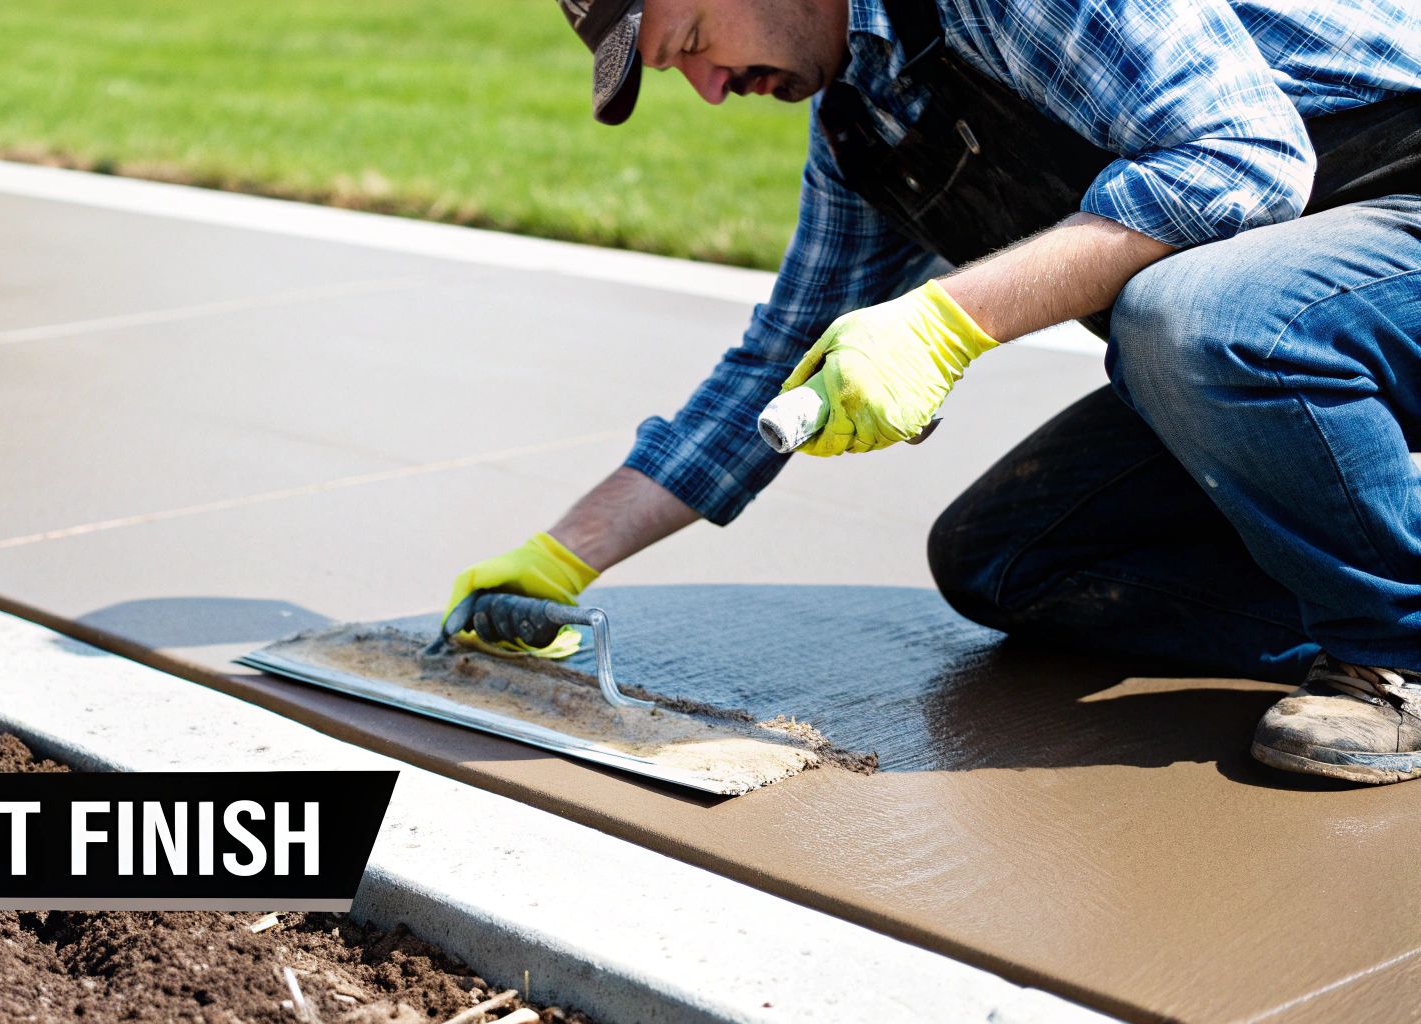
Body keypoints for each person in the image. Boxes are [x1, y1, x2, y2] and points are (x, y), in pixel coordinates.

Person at [448, 0, 1421, 783]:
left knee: (1195, 316)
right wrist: (562, 556)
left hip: (1388, 201)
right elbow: (774, 365)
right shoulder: (865, 125)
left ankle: (1394, 652)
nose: (707, 89)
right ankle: (1373, 574)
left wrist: (942, 322)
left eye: (693, 39)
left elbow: (1241, 159)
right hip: (1307, 313)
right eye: (679, 72)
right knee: (1011, 560)